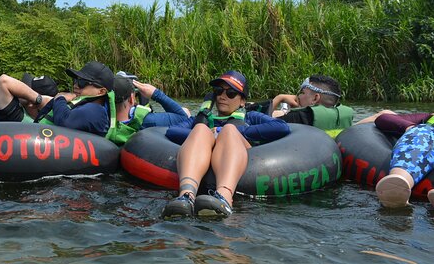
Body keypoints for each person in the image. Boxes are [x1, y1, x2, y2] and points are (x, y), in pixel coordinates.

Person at [162, 71, 290, 218]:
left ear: (242, 101)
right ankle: (186, 196)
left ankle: (224, 197)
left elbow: (281, 127)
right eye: (218, 91)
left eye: (230, 93)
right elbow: (172, 131)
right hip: (203, 147)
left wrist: (236, 131)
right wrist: (211, 134)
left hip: (240, 155)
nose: (222, 96)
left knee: (229, 130)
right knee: (200, 130)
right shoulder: (202, 120)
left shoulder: (250, 117)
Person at [248, 75, 354, 135]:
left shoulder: (302, 116)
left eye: (302, 93)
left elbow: (255, 122)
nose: (298, 96)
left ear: (315, 98)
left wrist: (279, 98)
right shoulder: (343, 115)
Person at [372, 111, 434, 208]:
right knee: (421, 131)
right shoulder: (428, 118)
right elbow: (384, 118)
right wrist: (410, 127)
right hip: (426, 142)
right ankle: (398, 184)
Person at [113, 76, 191, 128]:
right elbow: (183, 118)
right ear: (131, 99)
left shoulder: (103, 122)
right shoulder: (148, 121)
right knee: (185, 111)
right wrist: (156, 93)